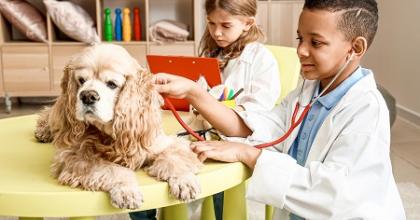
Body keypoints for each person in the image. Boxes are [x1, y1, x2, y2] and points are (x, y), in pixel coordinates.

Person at [153, 0, 407, 219]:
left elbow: (334, 194)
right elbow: (256, 128)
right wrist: (193, 93)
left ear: (356, 48)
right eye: (300, 38)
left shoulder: (366, 111)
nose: (301, 50)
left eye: (316, 43)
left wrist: (249, 155)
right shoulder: (306, 94)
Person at [130, 0, 280, 219]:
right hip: (199, 132)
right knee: (146, 155)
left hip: (237, 140)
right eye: (211, 24)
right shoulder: (211, 54)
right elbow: (197, 100)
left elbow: (253, 120)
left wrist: (205, 100)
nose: (217, 32)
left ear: (248, 23)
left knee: (210, 173)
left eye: (225, 25)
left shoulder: (262, 60)